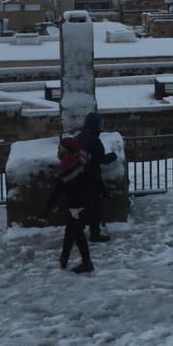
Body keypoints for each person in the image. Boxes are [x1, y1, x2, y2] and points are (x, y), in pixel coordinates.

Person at [45, 135, 95, 273]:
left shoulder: (70, 162)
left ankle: (87, 262)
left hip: (77, 202)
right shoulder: (83, 158)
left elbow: (61, 186)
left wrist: (49, 203)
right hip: (85, 199)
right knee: (71, 229)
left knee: (77, 232)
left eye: (62, 146)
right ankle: (64, 257)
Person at [76, 112, 118, 242]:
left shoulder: (79, 137)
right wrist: (112, 156)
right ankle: (95, 233)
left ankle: (77, 231)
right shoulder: (94, 141)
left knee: (79, 205)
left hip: (76, 176)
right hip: (90, 177)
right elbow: (101, 159)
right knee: (94, 206)